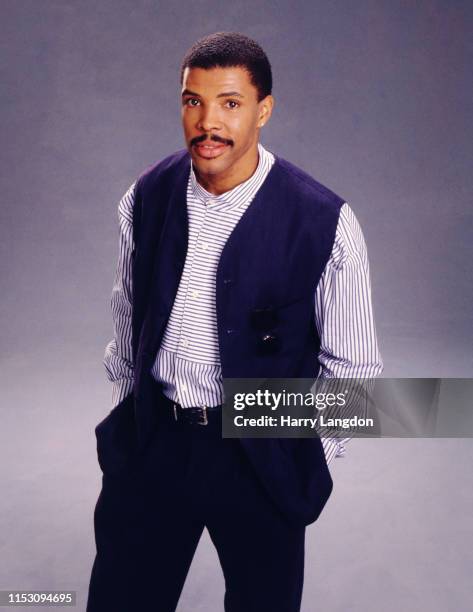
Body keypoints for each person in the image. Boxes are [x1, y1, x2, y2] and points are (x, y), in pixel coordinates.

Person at [86, 31, 383, 612]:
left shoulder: (324, 220)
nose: (207, 122)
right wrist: (137, 416)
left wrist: (295, 451)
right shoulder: (145, 196)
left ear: (263, 110)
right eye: (193, 101)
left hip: (258, 457)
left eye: (229, 103)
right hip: (158, 443)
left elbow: (356, 373)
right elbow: (128, 320)